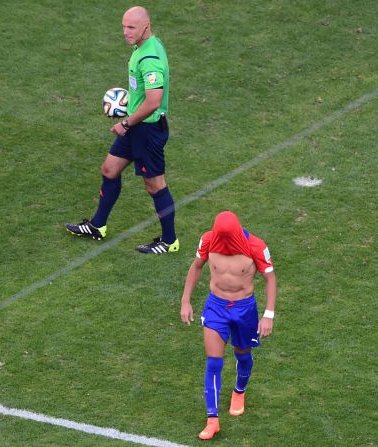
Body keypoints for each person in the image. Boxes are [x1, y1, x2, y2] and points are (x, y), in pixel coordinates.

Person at [65, 5, 179, 254]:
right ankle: (97, 226)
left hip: (146, 131)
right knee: (109, 169)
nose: (126, 32)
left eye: (131, 28)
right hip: (137, 127)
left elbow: (153, 102)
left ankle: (169, 241)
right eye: (124, 27)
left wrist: (126, 122)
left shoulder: (150, 59)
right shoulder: (146, 46)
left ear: (145, 27)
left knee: (155, 185)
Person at [180, 210, 277, 441]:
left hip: (244, 309)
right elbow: (196, 267)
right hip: (216, 307)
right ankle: (212, 420)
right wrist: (185, 301)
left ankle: (239, 392)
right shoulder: (208, 240)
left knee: (243, 355)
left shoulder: (255, 246)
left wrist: (268, 315)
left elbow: (270, 278)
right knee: (213, 362)